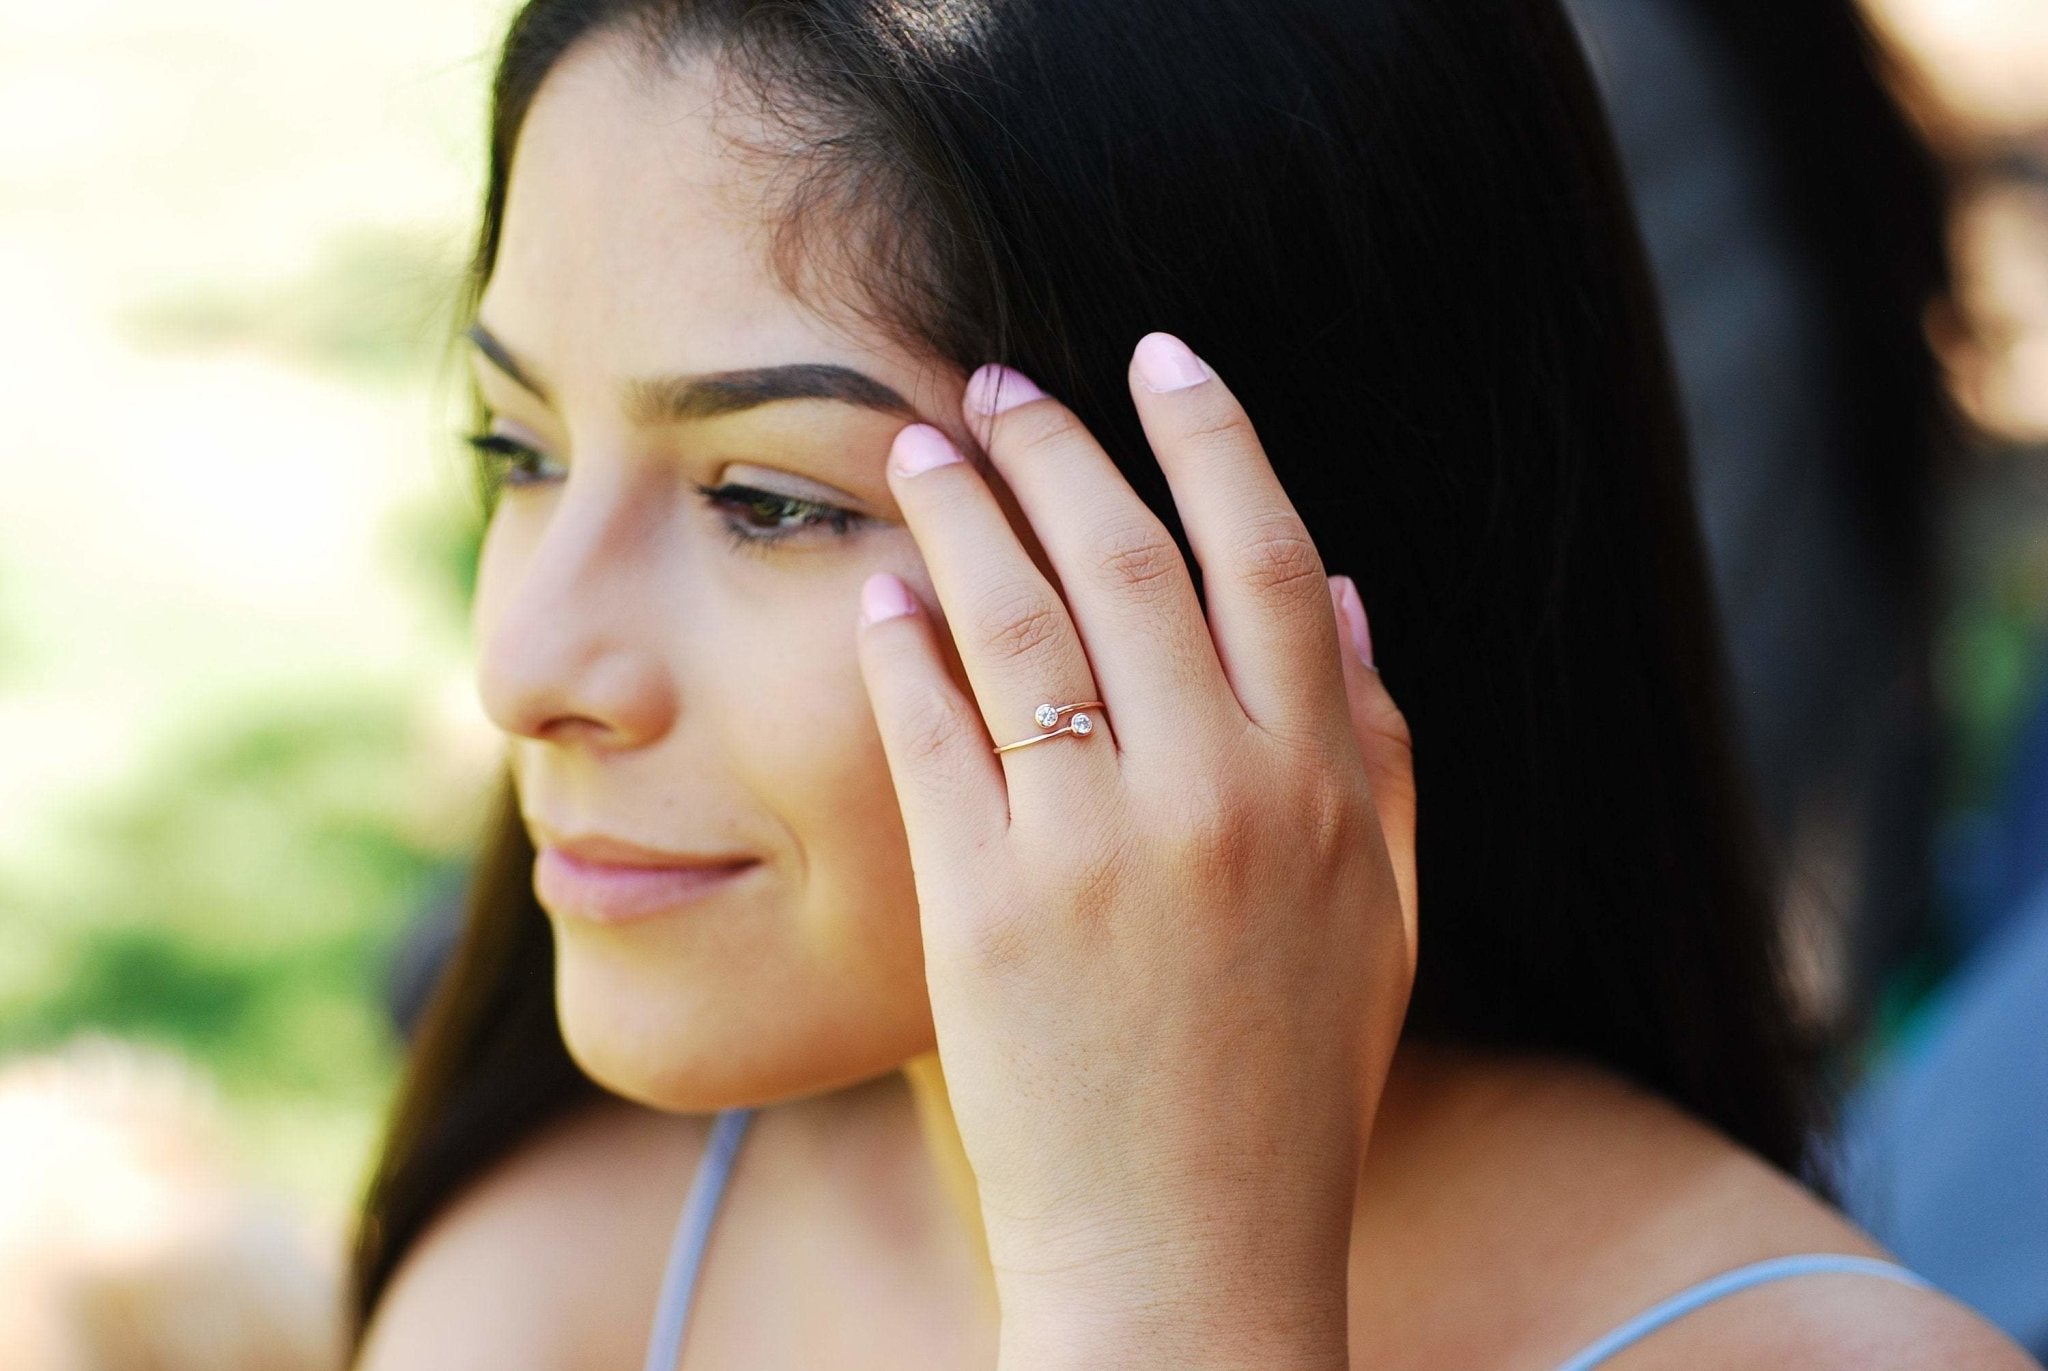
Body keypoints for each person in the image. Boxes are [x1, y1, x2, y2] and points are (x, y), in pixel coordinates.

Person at [344, 1, 2038, 1366]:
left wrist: (1166, 1305)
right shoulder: (567, 1277)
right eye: (522, 448)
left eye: (771, 502)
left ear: (1270, 562)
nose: (524, 667)